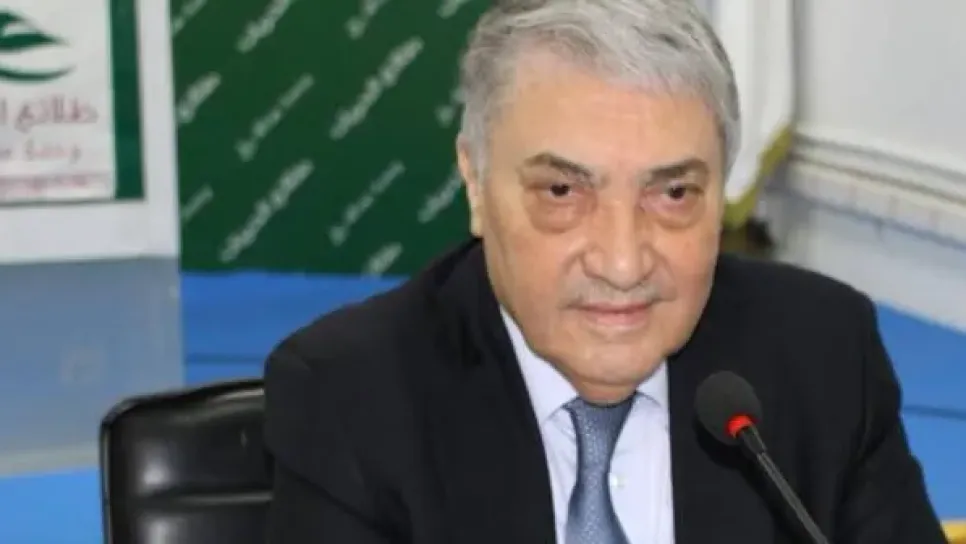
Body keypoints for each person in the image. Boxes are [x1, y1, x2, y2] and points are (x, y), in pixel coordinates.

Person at [262, 0, 947, 542]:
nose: (623, 262)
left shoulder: (824, 356)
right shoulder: (355, 397)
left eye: (673, 194)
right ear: (475, 183)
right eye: (563, 192)